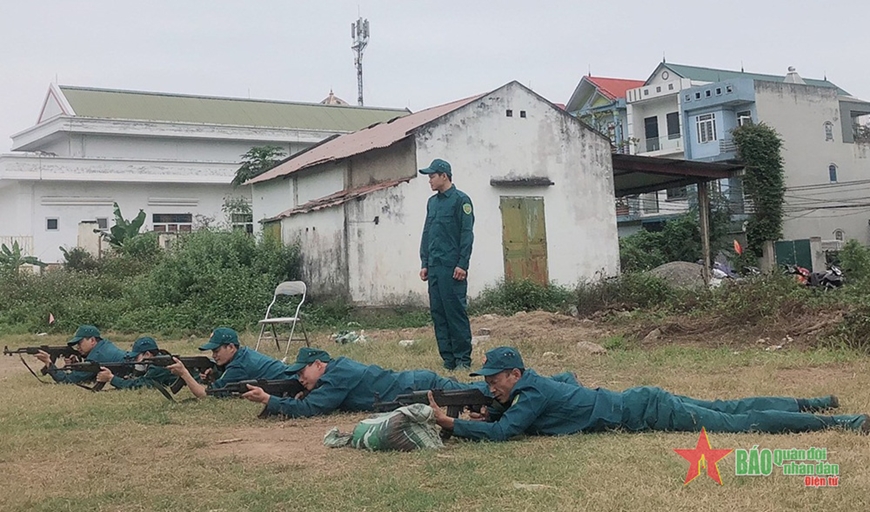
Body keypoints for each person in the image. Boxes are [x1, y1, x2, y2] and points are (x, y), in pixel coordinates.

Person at [429, 346, 869, 441]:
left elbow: (508, 434)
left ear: (515, 373)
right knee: (729, 408)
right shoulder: (535, 386)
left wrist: (453, 423)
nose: (489, 385)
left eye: (494, 379)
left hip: (645, 410)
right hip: (642, 399)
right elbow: (567, 376)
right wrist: (498, 409)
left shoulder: (532, 394)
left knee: (738, 422)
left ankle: (839, 422)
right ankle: (815, 403)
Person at [242, 347, 582, 418]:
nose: (301, 377)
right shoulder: (335, 372)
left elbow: (315, 408)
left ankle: (560, 382)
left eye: (304, 371)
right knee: (483, 397)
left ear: (321, 364)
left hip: (420, 384)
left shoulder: (339, 373)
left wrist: (269, 401)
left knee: (482, 393)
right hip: (413, 384)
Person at [418, 158, 475, 370]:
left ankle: (462, 359)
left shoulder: (462, 201)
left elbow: (466, 235)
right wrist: (424, 262)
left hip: (453, 269)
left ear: (444, 176)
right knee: (439, 314)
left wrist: (463, 264)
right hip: (434, 267)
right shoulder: (432, 203)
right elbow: (427, 233)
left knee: (455, 313)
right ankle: (448, 359)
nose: (429, 180)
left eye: (432, 176)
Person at [166, 327, 289, 398]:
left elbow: (205, 395)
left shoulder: (239, 366)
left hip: (289, 384)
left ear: (231, 347)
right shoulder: (243, 354)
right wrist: (216, 374)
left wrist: (184, 374)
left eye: (217, 350)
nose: (214, 355)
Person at [35, 324, 128, 384]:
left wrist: (48, 362)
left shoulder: (96, 357)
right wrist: (76, 365)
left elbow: (67, 380)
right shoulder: (104, 345)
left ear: (92, 340)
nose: (78, 347)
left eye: (80, 343)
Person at [96, 336, 176, 390]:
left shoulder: (158, 366)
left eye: (136, 357)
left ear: (147, 354)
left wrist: (112, 378)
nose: (135, 360)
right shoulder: (156, 362)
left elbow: (141, 385)